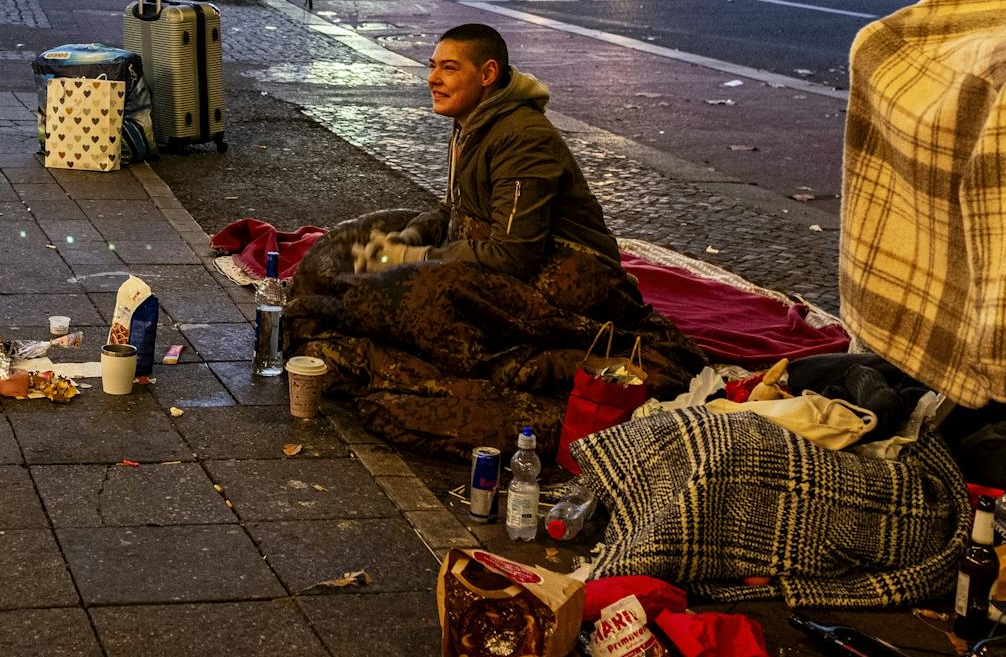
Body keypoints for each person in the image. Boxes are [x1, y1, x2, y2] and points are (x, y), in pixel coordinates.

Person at [284, 23, 704, 459]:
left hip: (566, 277)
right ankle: (337, 303)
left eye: (449, 68)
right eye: (433, 67)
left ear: (487, 74)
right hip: (486, 251)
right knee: (344, 248)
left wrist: (415, 258)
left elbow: (512, 256)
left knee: (403, 292)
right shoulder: (472, 121)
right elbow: (454, 212)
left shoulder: (521, 137)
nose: (433, 79)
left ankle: (352, 317)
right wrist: (404, 239)